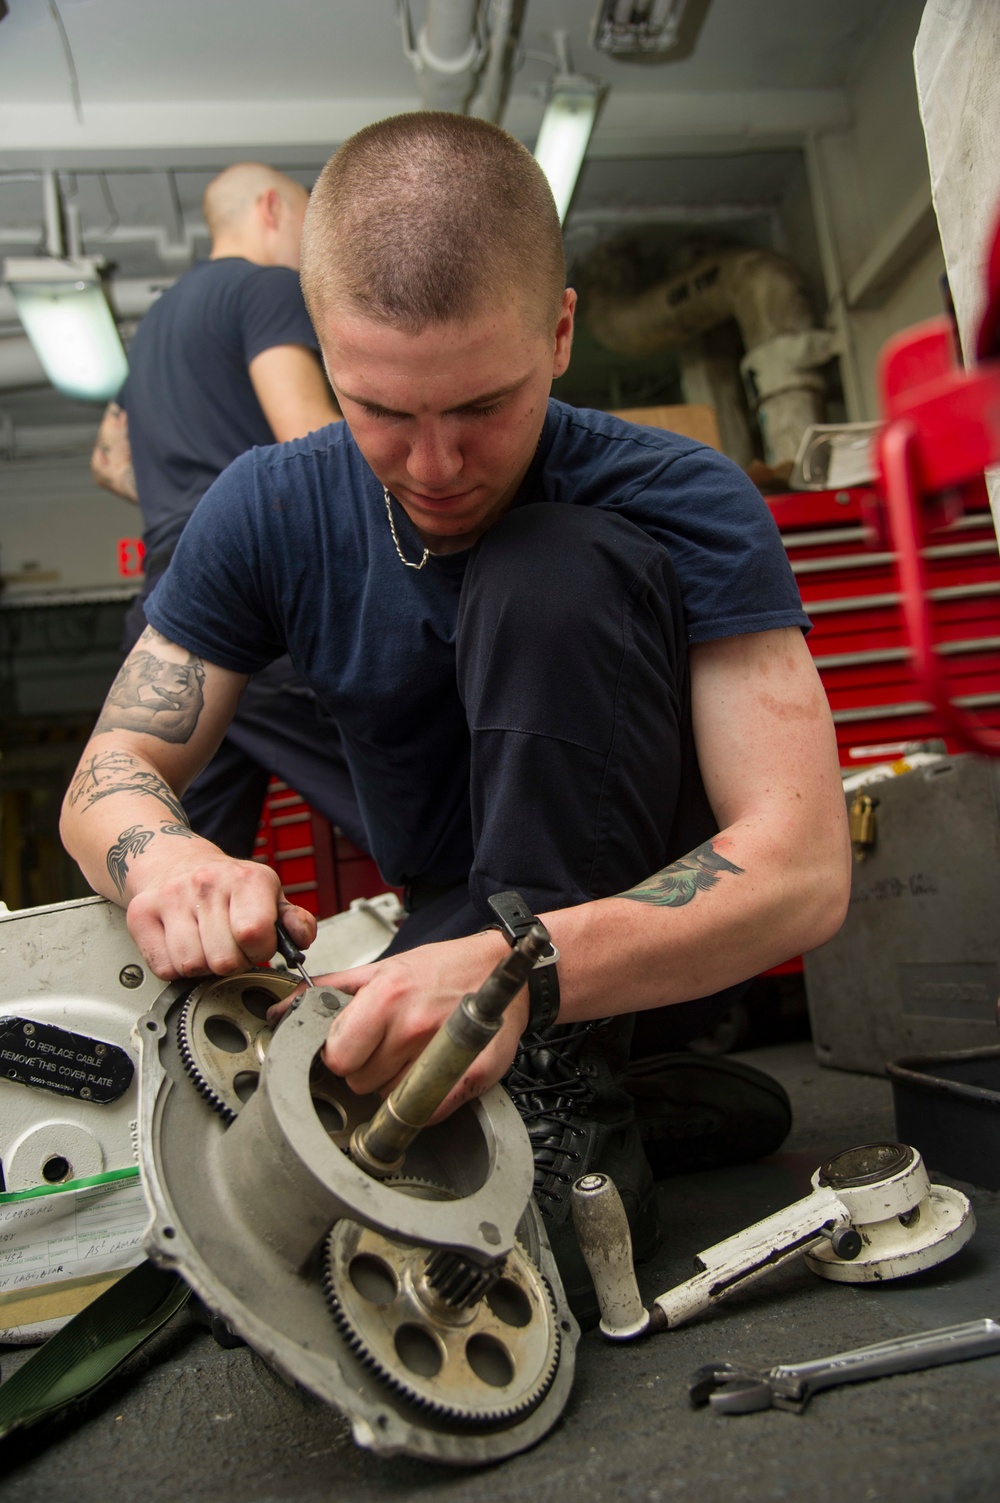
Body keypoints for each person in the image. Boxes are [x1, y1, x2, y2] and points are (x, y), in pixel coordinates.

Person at [62, 115, 850, 1322]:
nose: (434, 463)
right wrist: (160, 851)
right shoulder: (267, 506)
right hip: (448, 929)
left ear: (562, 333)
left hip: (628, 929)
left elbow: (799, 872)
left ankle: (580, 1073)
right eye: (380, 408)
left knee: (553, 565)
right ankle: (619, 1081)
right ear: (322, 352)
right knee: (317, 1085)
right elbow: (112, 766)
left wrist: (521, 970)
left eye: (482, 405)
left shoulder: (684, 496)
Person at [90, 162, 363, 857]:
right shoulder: (264, 287)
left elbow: (108, 460)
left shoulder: (153, 326)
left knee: (180, 852)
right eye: (307, 219)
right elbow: (307, 433)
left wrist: (184, 502)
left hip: (166, 610)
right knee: (432, 814)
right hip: (253, 597)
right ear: (271, 208)